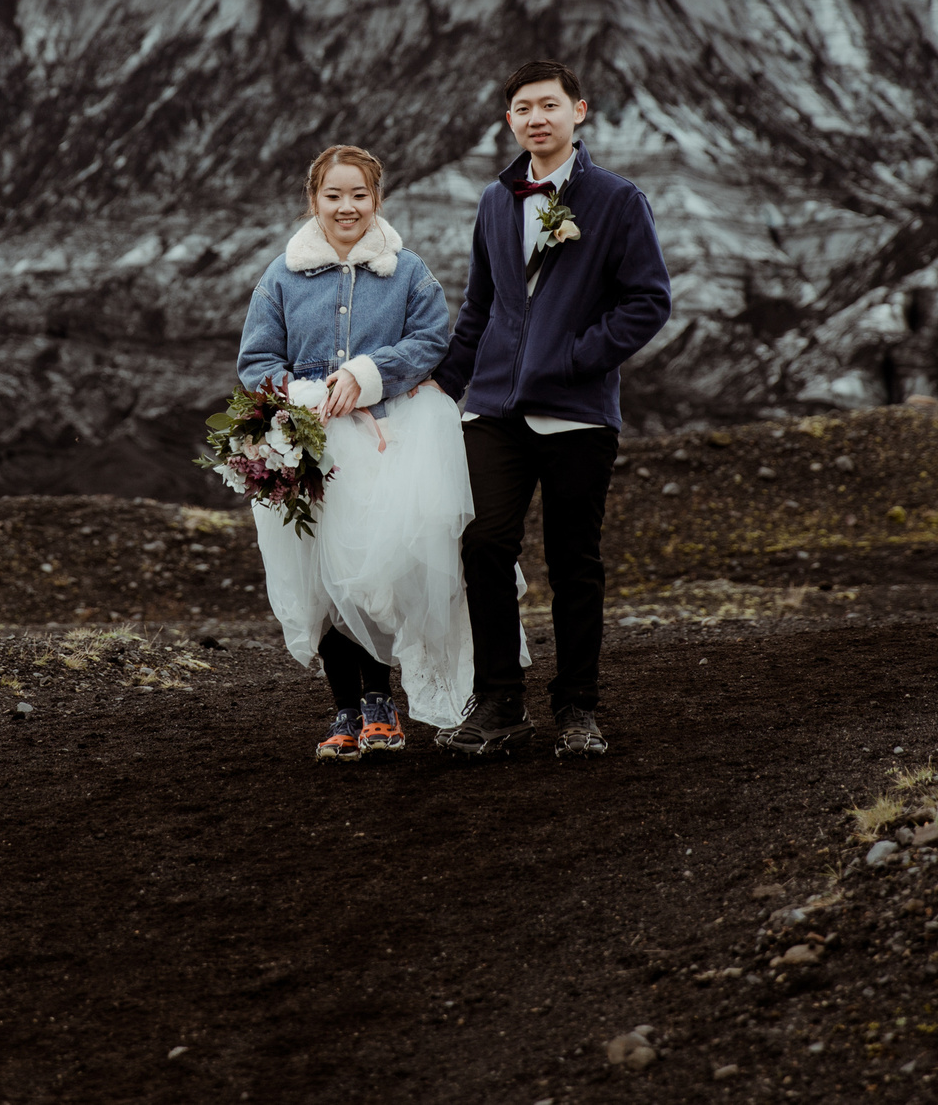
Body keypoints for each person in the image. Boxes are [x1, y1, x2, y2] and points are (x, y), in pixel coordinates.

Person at [433, 61, 672, 760]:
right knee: (484, 545)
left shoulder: (618, 200)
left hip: (578, 413)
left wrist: (571, 357)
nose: (536, 118)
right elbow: (480, 306)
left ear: (579, 111)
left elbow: (647, 302)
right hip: (496, 409)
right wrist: (446, 382)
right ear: (509, 120)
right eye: (522, 108)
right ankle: (502, 701)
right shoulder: (493, 201)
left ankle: (577, 708)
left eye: (549, 105)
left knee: (575, 560)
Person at [236, 144, 474, 761]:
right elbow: (256, 362)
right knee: (320, 576)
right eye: (333, 195)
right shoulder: (281, 276)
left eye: (359, 195)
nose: (347, 207)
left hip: (389, 438)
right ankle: (343, 708)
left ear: (378, 199)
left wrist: (369, 375)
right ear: (313, 200)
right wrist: (305, 394)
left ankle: (381, 702)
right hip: (311, 447)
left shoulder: (408, 271)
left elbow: (431, 340)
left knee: (378, 573)